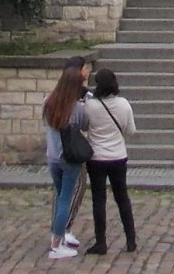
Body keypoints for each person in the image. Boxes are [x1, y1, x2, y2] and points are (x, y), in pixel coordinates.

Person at [82, 67, 137, 256]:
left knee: (99, 199)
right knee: (122, 198)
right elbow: (131, 131)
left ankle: (101, 241)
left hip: (96, 157)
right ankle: (131, 239)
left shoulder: (90, 105)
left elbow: (84, 126)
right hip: (118, 156)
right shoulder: (123, 104)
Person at [41, 59, 91, 260]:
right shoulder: (77, 109)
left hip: (52, 156)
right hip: (68, 158)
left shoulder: (48, 102)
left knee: (60, 195)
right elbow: (85, 126)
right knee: (65, 200)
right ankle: (56, 243)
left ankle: (59, 237)